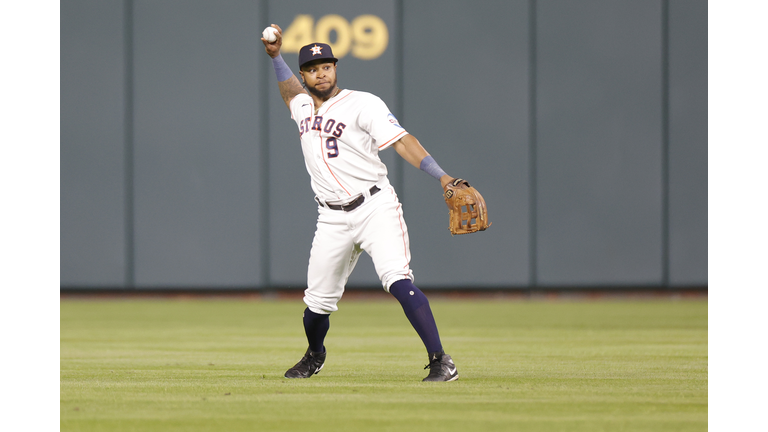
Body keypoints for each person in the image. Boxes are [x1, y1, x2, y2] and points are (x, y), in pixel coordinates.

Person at [262, 24, 459, 382]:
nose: (321, 73)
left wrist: (442, 176)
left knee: (398, 280)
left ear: (335, 68)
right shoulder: (303, 106)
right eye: (313, 69)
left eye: (327, 66)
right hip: (331, 217)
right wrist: (276, 58)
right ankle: (315, 355)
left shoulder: (363, 103)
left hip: (374, 207)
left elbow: (402, 141)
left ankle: (441, 360)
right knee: (315, 306)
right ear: (304, 74)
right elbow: (290, 93)